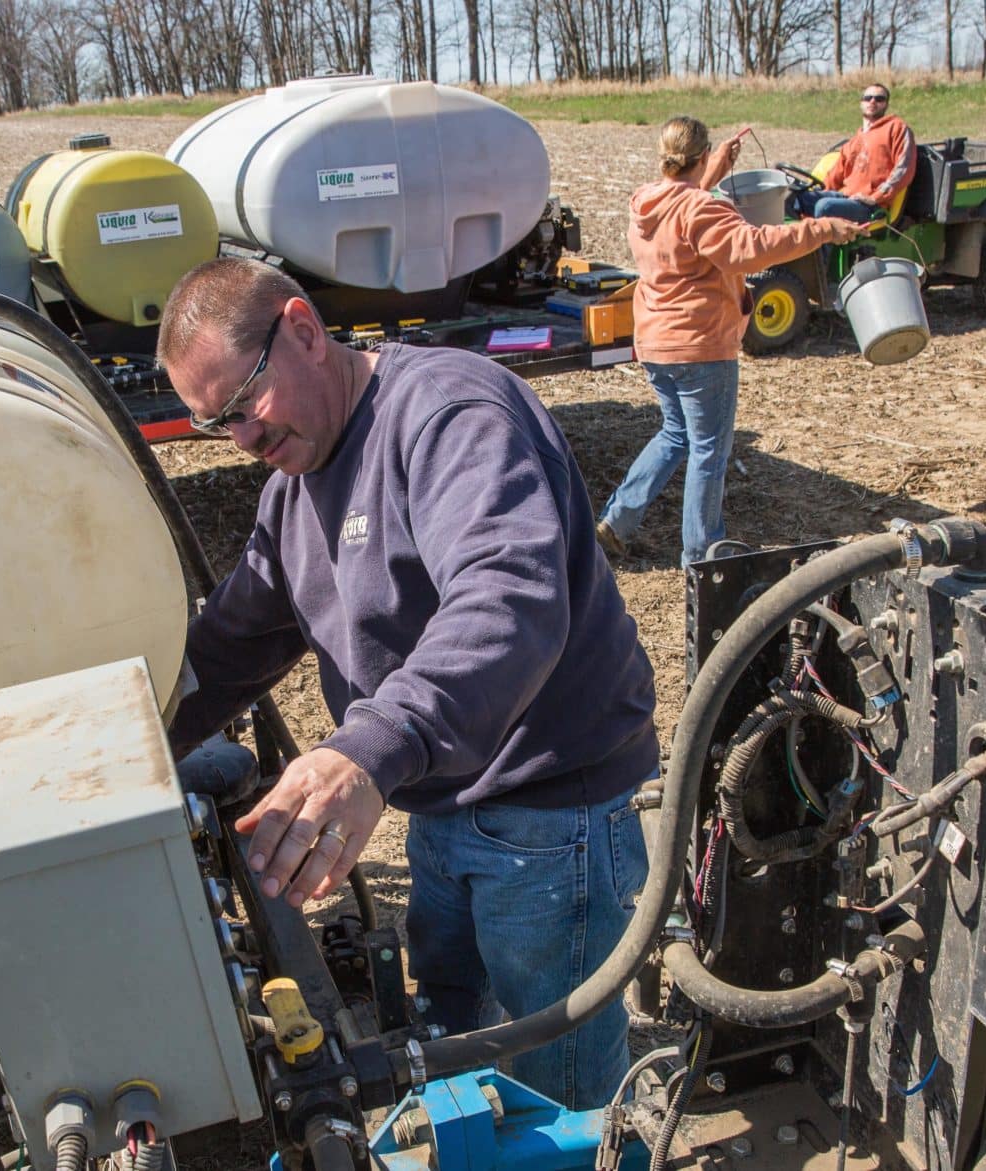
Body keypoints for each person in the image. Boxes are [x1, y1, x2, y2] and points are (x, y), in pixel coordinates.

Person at [159, 257, 659, 1110]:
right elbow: (235, 638)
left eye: (245, 404)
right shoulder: (298, 483)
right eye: (217, 425)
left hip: (549, 817)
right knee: (451, 1042)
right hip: (439, 799)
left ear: (304, 331)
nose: (242, 439)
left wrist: (366, 753)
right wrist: (139, 728)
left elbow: (509, 599)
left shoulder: (448, 415)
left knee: (556, 1093)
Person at [596, 116, 868, 566]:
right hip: (700, 345)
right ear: (700, 158)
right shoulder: (702, 210)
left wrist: (714, 168)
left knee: (675, 433)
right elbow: (750, 247)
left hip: (657, 343)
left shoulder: (646, 203)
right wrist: (823, 230)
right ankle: (702, 557)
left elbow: (685, 207)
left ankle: (617, 521)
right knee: (708, 451)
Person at [794, 83, 917, 223]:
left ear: (886, 104)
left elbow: (903, 170)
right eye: (868, 97)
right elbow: (834, 177)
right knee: (791, 199)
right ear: (861, 103)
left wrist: (875, 197)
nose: (873, 101)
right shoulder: (853, 142)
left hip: (870, 205)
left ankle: (819, 243)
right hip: (846, 197)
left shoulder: (897, 128)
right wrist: (814, 192)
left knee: (825, 206)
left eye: (879, 98)